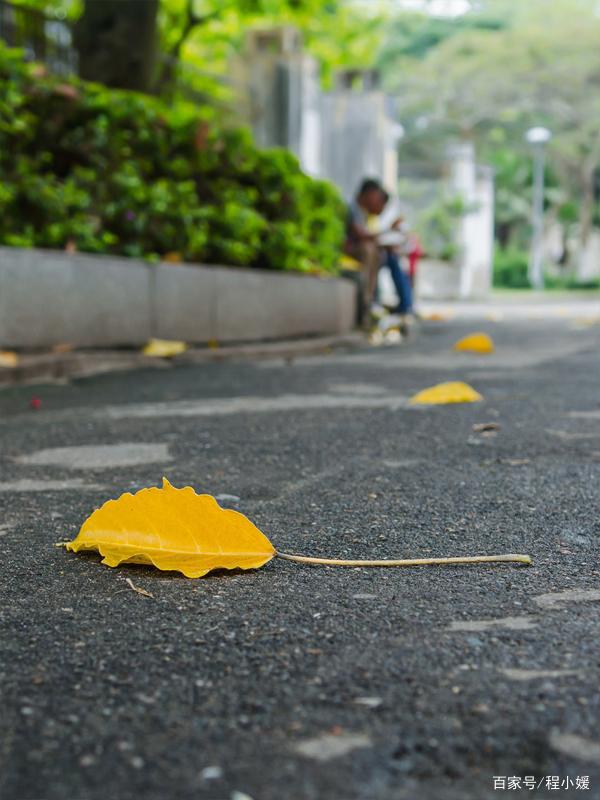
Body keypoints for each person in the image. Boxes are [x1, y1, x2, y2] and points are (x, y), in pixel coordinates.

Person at [344, 178, 413, 322]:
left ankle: (401, 305)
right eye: (378, 198)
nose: (380, 205)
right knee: (370, 250)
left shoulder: (366, 214)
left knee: (387, 255)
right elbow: (360, 235)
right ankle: (367, 303)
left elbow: (370, 236)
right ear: (370, 194)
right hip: (347, 251)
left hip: (364, 251)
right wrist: (389, 230)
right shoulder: (352, 208)